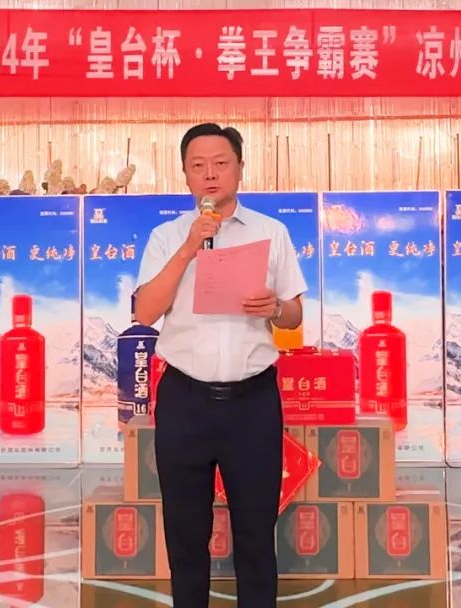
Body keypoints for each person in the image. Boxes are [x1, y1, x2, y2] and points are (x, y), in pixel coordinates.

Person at [133, 123, 307, 607]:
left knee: (256, 532)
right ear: (186, 176)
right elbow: (144, 312)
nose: (210, 174)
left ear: (240, 168)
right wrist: (189, 247)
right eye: (198, 166)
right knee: (186, 533)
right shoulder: (167, 236)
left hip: (252, 402)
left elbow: (294, 315)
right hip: (184, 400)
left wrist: (275, 307)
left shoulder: (272, 232)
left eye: (220, 163)